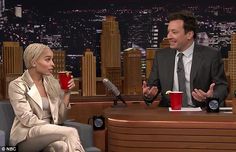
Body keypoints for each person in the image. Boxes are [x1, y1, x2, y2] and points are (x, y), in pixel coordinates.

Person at [8, 43, 85, 152]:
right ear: (33, 62)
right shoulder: (17, 85)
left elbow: (60, 119)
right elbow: (27, 118)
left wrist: (67, 93)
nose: (53, 64)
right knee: (71, 131)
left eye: (52, 60)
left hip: (47, 132)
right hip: (26, 136)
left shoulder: (51, 84)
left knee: (62, 147)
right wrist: (54, 128)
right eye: (48, 60)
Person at [143, 10, 228, 107]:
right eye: (168, 32)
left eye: (174, 32)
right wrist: (148, 95)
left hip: (201, 112)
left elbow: (222, 86)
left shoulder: (211, 55)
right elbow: (152, 89)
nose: (168, 36)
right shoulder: (161, 56)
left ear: (189, 34)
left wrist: (211, 97)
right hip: (169, 114)